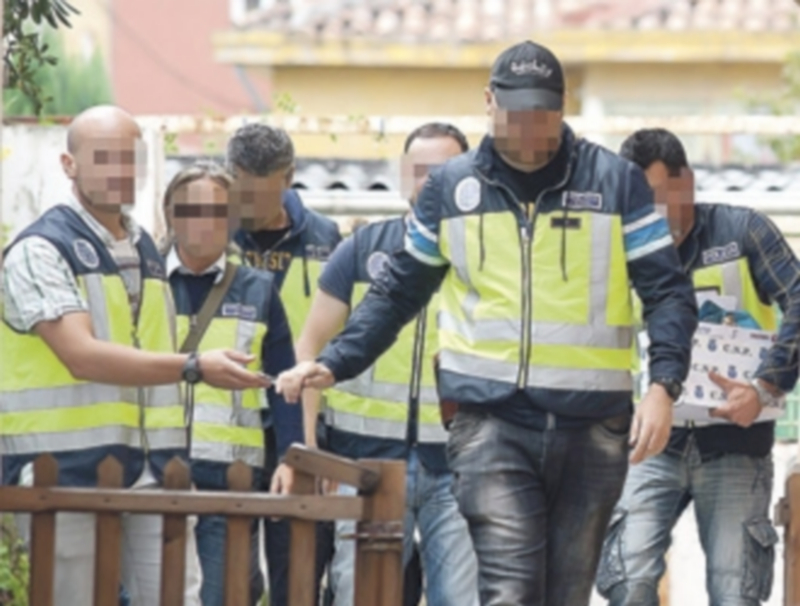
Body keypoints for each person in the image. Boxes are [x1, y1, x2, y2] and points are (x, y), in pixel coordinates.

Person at [276, 41, 698, 606]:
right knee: (509, 591)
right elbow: (399, 289)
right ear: (488, 103)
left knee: (564, 594)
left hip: (592, 426)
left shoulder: (616, 183)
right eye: (517, 112)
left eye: (543, 113)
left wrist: (663, 386)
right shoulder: (450, 189)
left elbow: (667, 290)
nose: (530, 126)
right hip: (491, 420)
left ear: (564, 104)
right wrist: (335, 361)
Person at [0, 105, 268, 605]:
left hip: (156, 467)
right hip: (64, 470)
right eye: (102, 157)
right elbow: (80, 355)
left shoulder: (145, 245)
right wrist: (195, 367)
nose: (118, 170)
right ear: (69, 165)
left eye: (129, 157)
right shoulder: (40, 249)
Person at [596, 128, 800, 606]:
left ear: (685, 182)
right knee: (628, 581)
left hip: (735, 445)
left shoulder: (744, 230)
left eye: (653, 196)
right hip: (646, 446)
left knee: (735, 592)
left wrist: (766, 385)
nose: (643, 212)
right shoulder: (617, 250)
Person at [296, 122, 478, 606]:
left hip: (459, 468)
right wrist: (311, 446)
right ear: (402, 176)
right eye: (420, 171)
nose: (430, 182)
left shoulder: (485, 259)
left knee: (462, 599)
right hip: (365, 467)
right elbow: (310, 347)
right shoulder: (360, 251)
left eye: (444, 171)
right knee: (363, 597)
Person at [159, 161, 302, 606]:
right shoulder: (144, 285)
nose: (208, 222)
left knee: (227, 595)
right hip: (154, 469)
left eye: (221, 211)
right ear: (172, 216)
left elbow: (283, 383)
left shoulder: (258, 290)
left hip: (231, 475)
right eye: (195, 210)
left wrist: (291, 457)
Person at [227, 123, 341, 606]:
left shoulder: (326, 238)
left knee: (298, 573)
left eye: (262, 192)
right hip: (229, 422)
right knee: (232, 578)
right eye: (240, 190)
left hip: (303, 421)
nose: (248, 206)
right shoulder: (208, 231)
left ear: (289, 177)